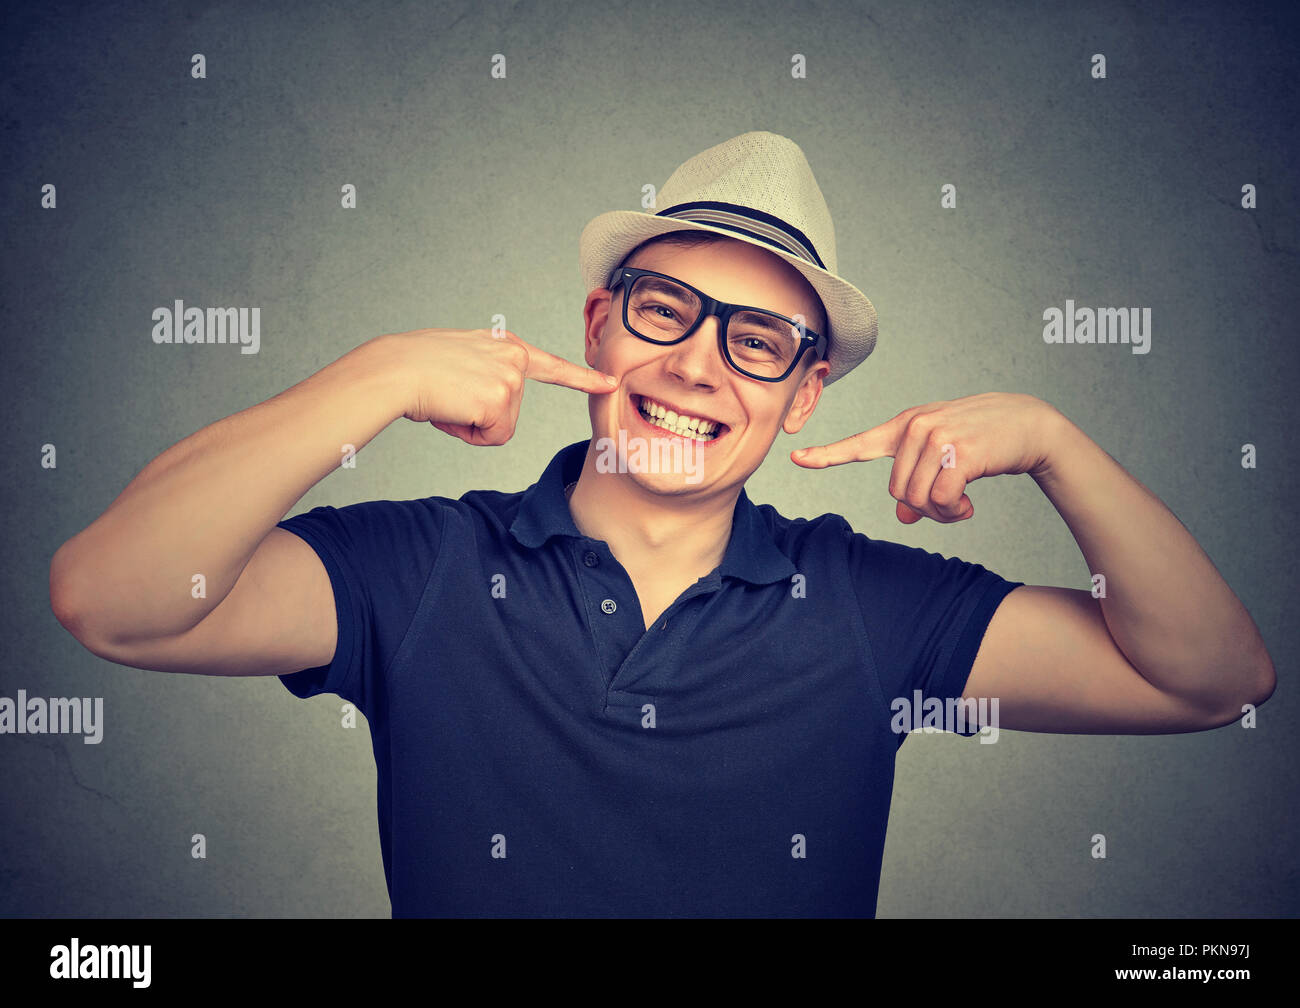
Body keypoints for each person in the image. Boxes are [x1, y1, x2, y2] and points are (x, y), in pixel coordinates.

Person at [49, 131, 1275, 917]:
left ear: (801, 394)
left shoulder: (866, 607)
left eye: (754, 341)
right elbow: (113, 597)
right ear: (597, 329)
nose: (696, 366)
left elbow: (1213, 682)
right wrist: (368, 379)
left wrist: (1062, 450)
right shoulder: (422, 569)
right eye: (664, 311)